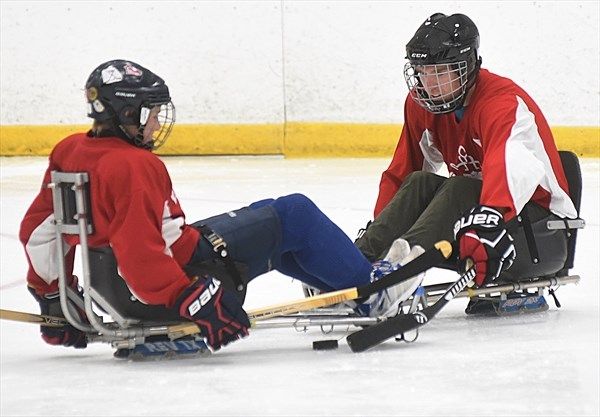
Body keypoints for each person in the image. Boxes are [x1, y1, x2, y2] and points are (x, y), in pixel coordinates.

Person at [19, 60, 423, 352]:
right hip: (187, 271)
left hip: (130, 282)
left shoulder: (71, 150)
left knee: (270, 215)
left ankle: (343, 285)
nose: (157, 123)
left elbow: (39, 230)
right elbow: (139, 254)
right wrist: (188, 298)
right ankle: (372, 292)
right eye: (150, 114)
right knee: (294, 213)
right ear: (126, 113)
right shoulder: (134, 165)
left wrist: (54, 297)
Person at [354, 13, 578, 304]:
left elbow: (507, 165)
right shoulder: (422, 105)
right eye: (422, 71)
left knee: (459, 186)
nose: (429, 83)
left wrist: (489, 218)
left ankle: (397, 277)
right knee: (420, 182)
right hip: (478, 228)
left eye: (441, 72)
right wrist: (382, 233)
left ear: (468, 66)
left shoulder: (502, 103)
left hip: (536, 235)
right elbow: (403, 172)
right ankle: (355, 264)